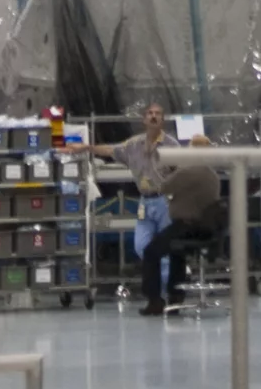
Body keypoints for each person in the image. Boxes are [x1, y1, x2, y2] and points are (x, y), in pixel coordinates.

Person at [93, 103, 217, 317]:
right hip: (153, 205)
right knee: (146, 247)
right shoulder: (212, 175)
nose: (153, 117)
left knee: (158, 251)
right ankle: (173, 296)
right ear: (144, 119)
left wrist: (161, 181)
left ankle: (158, 298)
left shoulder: (175, 152)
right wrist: (88, 148)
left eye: (157, 114)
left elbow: (167, 186)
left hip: (170, 211)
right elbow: (112, 150)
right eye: (149, 113)